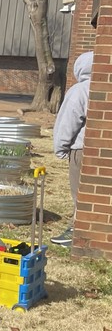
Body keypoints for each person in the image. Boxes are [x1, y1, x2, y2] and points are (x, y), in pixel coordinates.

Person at [52, 51, 93, 247]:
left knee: (80, 193)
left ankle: (76, 233)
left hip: (81, 150)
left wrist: (61, 148)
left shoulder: (80, 91)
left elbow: (67, 122)